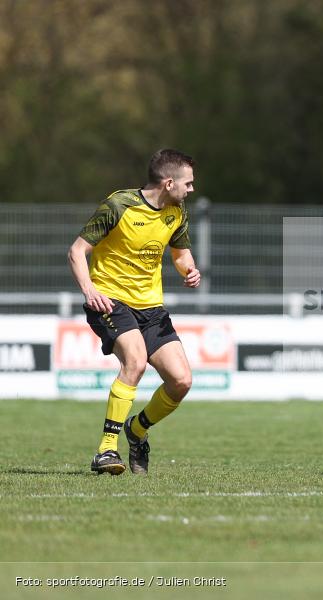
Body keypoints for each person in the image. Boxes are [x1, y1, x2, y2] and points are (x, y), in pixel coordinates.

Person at [68, 149, 201, 476]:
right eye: (188, 183)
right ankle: (105, 450)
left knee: (181, 381)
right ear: (169, 183)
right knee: (136, 361)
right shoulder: (119, 205)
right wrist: (90, 290)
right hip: (111, 301)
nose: (191, 190)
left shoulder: (177, 211)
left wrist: (190, 270)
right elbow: (76, 251)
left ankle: (137, 431)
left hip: (151, 308)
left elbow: (180, 254)